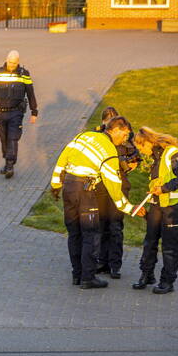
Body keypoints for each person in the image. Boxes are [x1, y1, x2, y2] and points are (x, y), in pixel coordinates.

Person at [49, 116, 144, 289]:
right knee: (90, 234)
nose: (125, 140)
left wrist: (55, 185)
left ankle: (77, 275)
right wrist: (131, 208)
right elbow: (114, 187)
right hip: (85, 191)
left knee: (74, 233)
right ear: (115, 130)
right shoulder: (109, 150)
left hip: (68, 188)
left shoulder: (84, 136)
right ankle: (88, 277)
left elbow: (63, 158)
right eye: (124, 135)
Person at [132, 127, 178, 294]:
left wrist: (164, 188)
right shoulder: (156, 158)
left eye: (141, 147)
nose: (142, 152)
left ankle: (167, 281)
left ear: (148, 142)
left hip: (176, 205)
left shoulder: (174, 154)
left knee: (169, 244)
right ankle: (147, 274)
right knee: (150, 239)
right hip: (158, 202)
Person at [94, 107, 139, 279]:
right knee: (101, 225)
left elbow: (135, 157)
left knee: (115, 226)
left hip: (120, 186)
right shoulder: (98, 137)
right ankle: (101, 261)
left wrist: (129, 164)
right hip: (101, 186)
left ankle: (114, 265)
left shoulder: (127, 139)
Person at [0, 50, 38, 179]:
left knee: (12, 138)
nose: (12, 65)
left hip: (16, 112)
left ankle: (10, 165)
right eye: (10, 62)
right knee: (3, 138)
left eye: (15, 63)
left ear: (18, 62)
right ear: (6, 59)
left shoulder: (24, 74)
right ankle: (7, 163)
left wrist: (34, 112)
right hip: (0, 112)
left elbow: (30, 93)